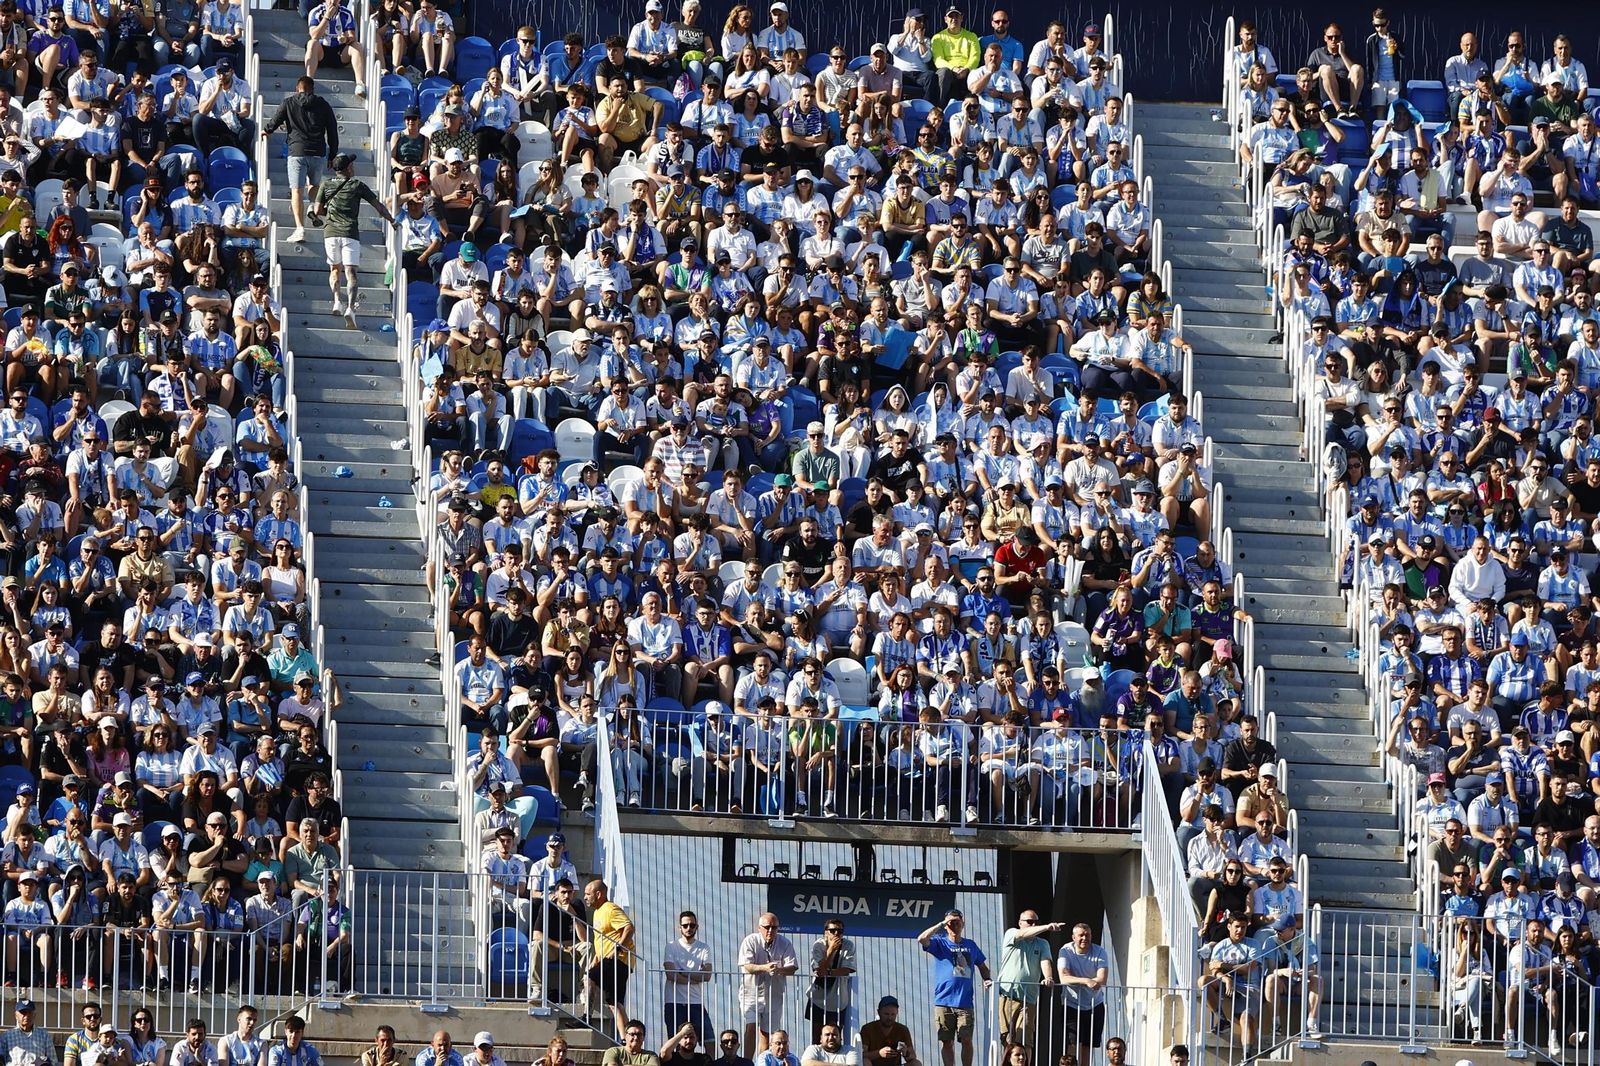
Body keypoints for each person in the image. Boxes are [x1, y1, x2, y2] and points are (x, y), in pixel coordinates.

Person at [309, 153, 394, 327]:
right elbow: (378, 206)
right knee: (351, 273)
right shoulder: (357, 185)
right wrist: (392, 221)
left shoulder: (325, 185)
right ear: (348, 168)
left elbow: (318, 210)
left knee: (334, 269)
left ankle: (336, 301)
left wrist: (329, 212)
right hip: (350, 233)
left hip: (331, 233)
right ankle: (351, 309)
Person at [261, 77, 339, 245]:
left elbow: (274, 122)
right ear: (313, 89)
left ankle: (299, 228)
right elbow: (332, 130)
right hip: (318, 152)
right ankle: (312, 206)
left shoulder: (288, 102)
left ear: (298, 88)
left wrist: (266, 131)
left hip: (297, 152)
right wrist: (332, 155)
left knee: (297, 190)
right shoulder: (323, 104)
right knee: (314, 186)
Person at [916, 909, 991, 1066]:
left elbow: (983, 967)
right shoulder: (940, 942)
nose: (954, 925)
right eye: (951, 922)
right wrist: (941, 924)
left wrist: (987, 979)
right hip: (943, 1001)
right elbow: (922, 939)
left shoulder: (971, 945)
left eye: (958, 922)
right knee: (946, 1041)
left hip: (964, 1002)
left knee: (966, 1039)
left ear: (963, 923)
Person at [995, 910, 1061, 1048]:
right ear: (1020, 923)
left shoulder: (1043, 943)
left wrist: (1048, 977)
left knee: (1026, 1041)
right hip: (1008, 995)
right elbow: (1022, 934)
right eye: (1030, 922)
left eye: (1036, 922)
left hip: (1029, 998)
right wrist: (1047, 927)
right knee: (1008, 1040)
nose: (1033, 925)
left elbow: (1045, 961)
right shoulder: (1011, 933)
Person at [738, 912, 798, 1055]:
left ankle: (762, 1062)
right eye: (767, 927)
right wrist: (765, 967)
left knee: (767, 1033)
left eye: (774, 927)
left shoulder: (785, 943)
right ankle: (747, 1063)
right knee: (751, 1027)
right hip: (751, 993)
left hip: (774, 994)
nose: (770, 931)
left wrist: (779, 969)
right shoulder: (750, 940)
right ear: (759, 928)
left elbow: (793, 967)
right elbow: (747, 966)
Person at [585, 880, 637, 1038]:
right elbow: (604, 939)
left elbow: (629, 928)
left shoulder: (610, 908)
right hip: (610, 960)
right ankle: (626, 1038)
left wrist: (618, 948)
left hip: (618, 960)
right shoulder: (597, 912)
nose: (585, 897)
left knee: (589, 977)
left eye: (588, 894)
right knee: (614, 1003)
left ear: (598, 894)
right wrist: (596, 958)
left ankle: (586, 1016)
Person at [1055, 922, 1109, 1066]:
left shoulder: (1099, 952)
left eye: (1087, 935)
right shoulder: (1065, 950)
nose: (1084, 938)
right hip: (1072, 1004)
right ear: (1073, 937)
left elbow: (1102, 979)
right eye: (1081, 935)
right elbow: (1064, 977)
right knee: (1072, 1043)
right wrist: (1086, 981)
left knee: (1088, 1044)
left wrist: (1082, 981)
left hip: (1094, 1004)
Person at [806, 920, 856, 1043]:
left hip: (839, 1001)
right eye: (832, 930)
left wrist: (828, 973)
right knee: (817, 1038)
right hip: (818, 999)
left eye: (840, 931)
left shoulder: (848, 945)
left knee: (835, 1038)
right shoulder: (819, 945)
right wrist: (830, 950)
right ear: (825, 932)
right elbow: (819, 969)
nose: (836, 934)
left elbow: (846, 970)